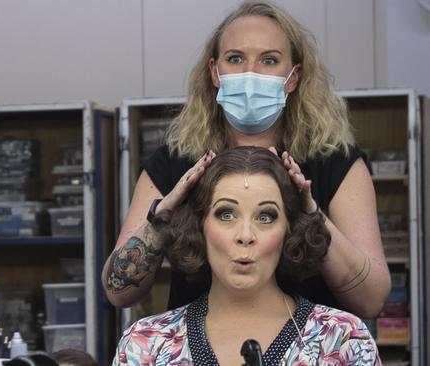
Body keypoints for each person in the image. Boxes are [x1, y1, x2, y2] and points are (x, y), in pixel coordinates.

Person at [102, 0, 390, 319]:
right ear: (215, 72)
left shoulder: (334, 162)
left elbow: (372, 300)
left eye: (269, 60)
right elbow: (118, 292)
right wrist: (160, 218)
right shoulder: (175, 162)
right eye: (235, 58)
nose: (250, 73)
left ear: (293, 77)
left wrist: (311, 214)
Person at [113, 146, 381, 365]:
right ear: (199, 227)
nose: (245, 234)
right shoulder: (145, 345)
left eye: (266, 217)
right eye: (226, 214)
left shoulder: (342, 340)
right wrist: (159, 218)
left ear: (290, 230)